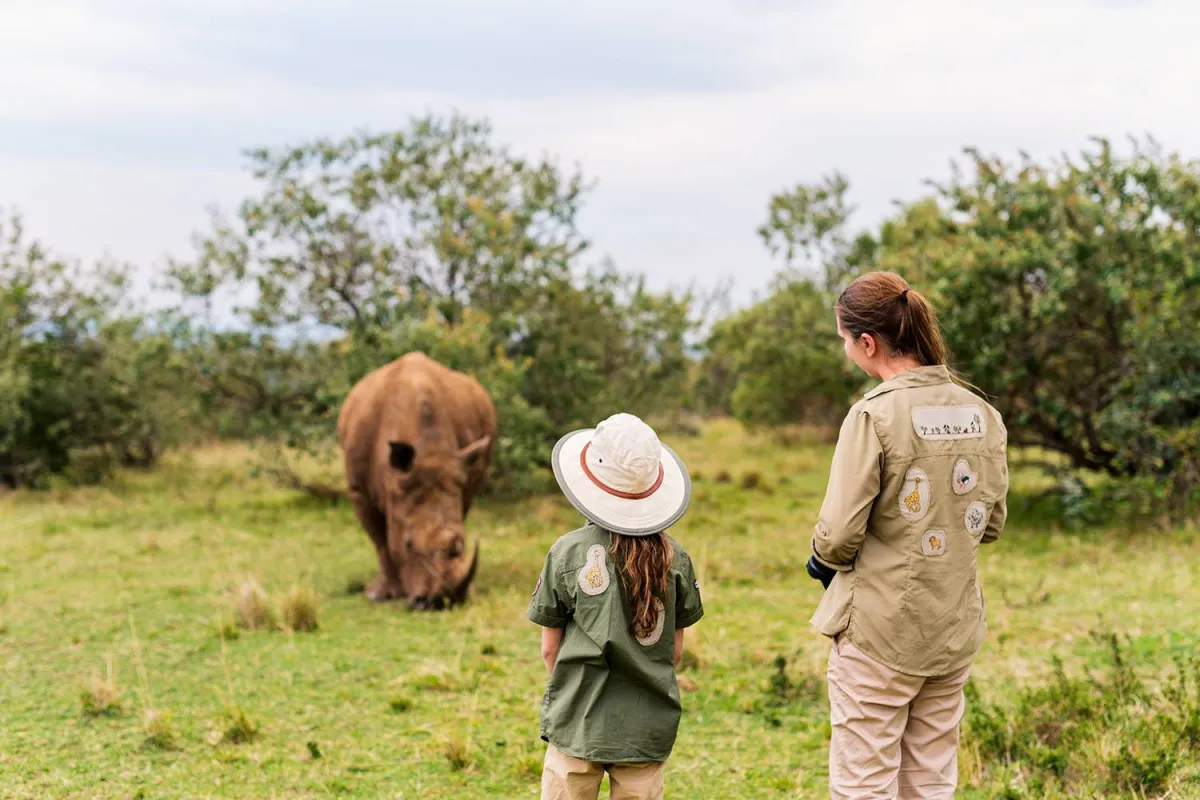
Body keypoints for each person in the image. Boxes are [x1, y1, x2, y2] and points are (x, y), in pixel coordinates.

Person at [805, 271, 1009, 799]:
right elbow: (991, 525)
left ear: (867, 343)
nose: (845, 348)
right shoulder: (983, 413)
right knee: (930, 781)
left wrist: (823, 556)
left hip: (880, 630)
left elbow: (837, 538)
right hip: (953, 627)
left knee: (864, 785)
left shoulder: (872, 415)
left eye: (844, 339)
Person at [528, 412, 704, 800]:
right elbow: (673, 652)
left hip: (576, 721)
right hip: (645, 726)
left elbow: (548, 650)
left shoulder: (566, 551)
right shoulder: (678, 559)